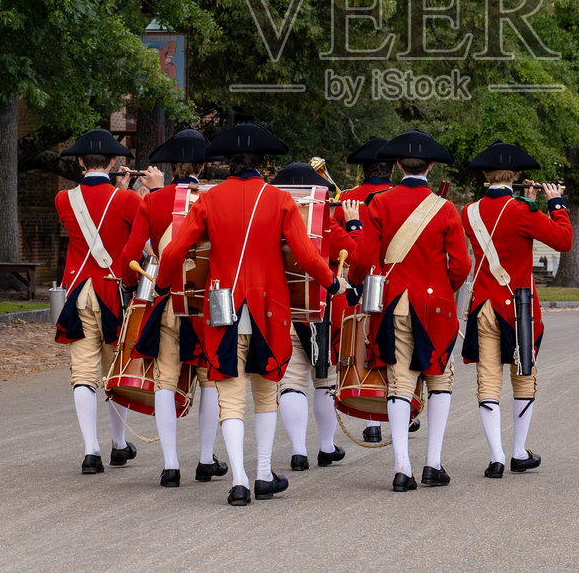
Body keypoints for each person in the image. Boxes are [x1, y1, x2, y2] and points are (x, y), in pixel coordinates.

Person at [158, 123, 344, 507]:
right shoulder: (279, 200)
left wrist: (162, 285)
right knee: (265, 391)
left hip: (221, 305)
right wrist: (332, 283)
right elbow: (307, 255)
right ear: (264, 164)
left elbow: (174, 251)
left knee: (229, 391)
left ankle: (239, 480)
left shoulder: (207, 200)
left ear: (227, 163)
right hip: (266, 308)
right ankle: (262, 473)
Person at [357, 130, 470, 492]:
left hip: (393, 302)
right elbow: (462, 265)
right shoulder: (445, 208)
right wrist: (443, 286)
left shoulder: (379, 203)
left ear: (398, 166)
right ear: (432, 167)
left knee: (399, 381)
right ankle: (432, 465)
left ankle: (402, 468)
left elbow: (362, 260)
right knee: (439, 380)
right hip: (435, 304)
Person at [116, 128, 225, 488]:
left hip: (166, 302)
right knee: (211, 380)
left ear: (170, 166)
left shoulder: (153, 201)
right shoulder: (214, 198)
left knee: (164, 379)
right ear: (203, 164)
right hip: (207, 301)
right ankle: (206, 459)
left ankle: (170, 465)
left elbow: (129, 256)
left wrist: (135, 286)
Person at [458, 141, 572, 478]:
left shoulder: (468, 212)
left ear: (485, 176)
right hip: (517, 307)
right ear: (518, 175)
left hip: (483, 306)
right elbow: (563, 240)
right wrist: (555, 203)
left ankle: (496, 457)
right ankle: (519, 452)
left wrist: (529, 204)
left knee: (488, 380)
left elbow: (501, 231)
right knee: (523, 377)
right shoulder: (524, 211)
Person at [54, 129, 158, 474]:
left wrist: (120, 190)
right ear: (114, 162)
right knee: (116, 370)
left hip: (79, 291)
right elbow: (136, 238)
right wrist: (127, 192)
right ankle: (118, 445)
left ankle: (90, 450)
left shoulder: (63, 199)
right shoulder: (128, 201)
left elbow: (94, 219)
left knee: (83, 372)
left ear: (81, 161)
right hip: (114, 292)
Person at [270, 161, 361, 473]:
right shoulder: (326, 225)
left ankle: (298, 451)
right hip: (322, 309)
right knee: (324, 379)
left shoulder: (269, 217)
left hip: (282, 307)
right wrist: (353, 224)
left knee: (291, 381)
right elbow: (358, 258)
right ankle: (325, 446)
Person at [338, 138, 408, 444]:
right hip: (391, 283)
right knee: (393, 353)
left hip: (354, 285)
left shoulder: (346, 200)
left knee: (361, 352)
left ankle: (370, 416)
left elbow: (335, 247)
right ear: (392, 169)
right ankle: (394, 411)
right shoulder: (399, 198)